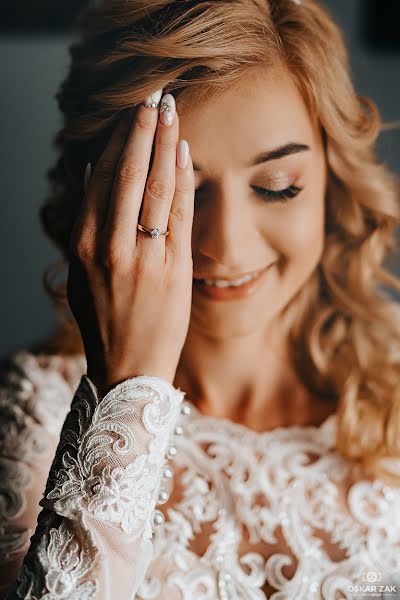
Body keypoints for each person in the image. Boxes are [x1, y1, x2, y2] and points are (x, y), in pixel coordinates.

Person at [1, 0, 400, 597]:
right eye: (177, 196)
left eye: (276, 188)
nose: (225, 247)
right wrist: (127, 389)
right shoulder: (33, 412)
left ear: (332, 181)